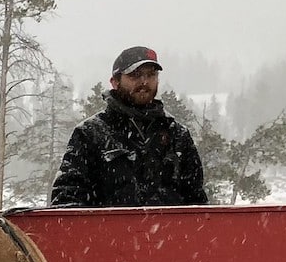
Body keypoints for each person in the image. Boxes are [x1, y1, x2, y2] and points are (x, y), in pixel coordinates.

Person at [50, 46, 209, 208]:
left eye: (151, 74)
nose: (144, 82)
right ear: (115, 82)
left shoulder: (177, 134)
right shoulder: (90, 133)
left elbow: (197, 205)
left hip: (170, 233)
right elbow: (66, 203)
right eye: (135, 75)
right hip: (108, 232)